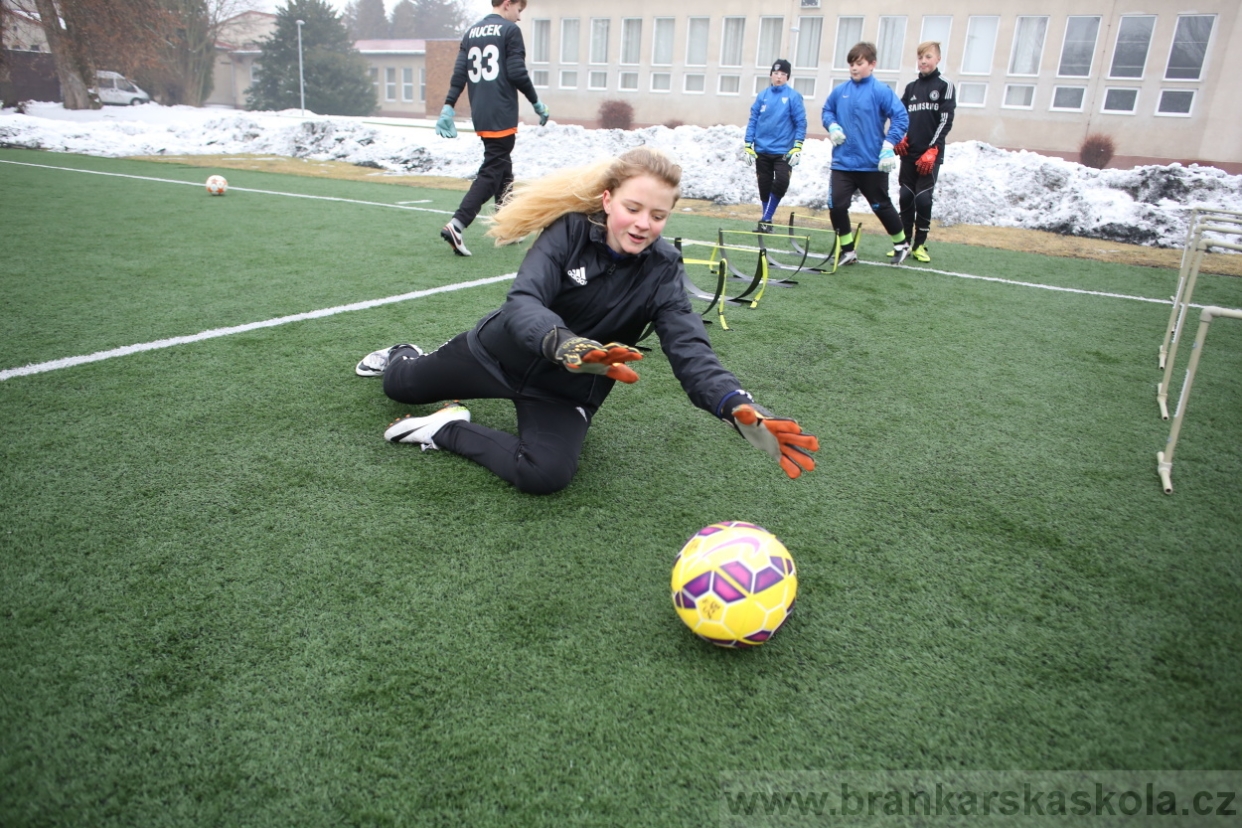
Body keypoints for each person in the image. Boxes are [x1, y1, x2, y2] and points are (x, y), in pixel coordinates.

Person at [354, 147, 819, 495]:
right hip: (493, 355)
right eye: (633, 208)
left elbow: (690, 350)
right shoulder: (571, 230)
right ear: (608, 200)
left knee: (546, 475)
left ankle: (446, 427)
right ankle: (404, 354)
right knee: (398, 386)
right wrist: (564, 343)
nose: (643, 224)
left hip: (565, 392)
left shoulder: (663, 269)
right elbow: (523, 303)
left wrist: (733, 403)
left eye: (658, 215)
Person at [436, 0, 549, 258]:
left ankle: (506, 227)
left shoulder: (471, 32)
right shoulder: (510, 31)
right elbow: (517, 72)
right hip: (501, 110)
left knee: (502, 165)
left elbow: (459, 74)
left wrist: (448, 107)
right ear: (508, 4)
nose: (519, 17)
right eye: (519, 10)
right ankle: (457, 224)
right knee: (493, 169)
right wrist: (537, 103)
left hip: (481, 111)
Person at [820, 42, 911, 267]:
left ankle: (902, 244)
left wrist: (889, 145)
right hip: (843, 162)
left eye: (859, 63)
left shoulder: (881, 91)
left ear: (872, 64)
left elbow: (900, 117)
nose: (854, 68)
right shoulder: (840, 92)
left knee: (880, 204)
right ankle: (848, 250)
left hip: (872, 163)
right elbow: (827, 111)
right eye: (851, 63)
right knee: (837, 205)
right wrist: (832, 126)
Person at [892, 41, 955, 264]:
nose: (923, 61)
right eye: (920, 57)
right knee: (906, 196)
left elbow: (946, 121)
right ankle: (904, 243)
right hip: (909, 154)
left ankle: (920, 244)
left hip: (929, 155)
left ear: (938, 59)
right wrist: (899, 136)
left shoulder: (945, 86)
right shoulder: (911, 88)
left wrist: (933, 148)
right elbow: (899, 116)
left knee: (924, 199)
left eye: (928, 57)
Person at [744, 58, 807, 233]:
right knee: (764, 185)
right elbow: (753, 120)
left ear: (788, 77)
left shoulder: (794, 97)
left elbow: (801, 122)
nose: (779, 77)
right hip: (762, 149)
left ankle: (766, 218)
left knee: (781, 181)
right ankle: (767, 221)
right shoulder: (762, 96)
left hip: (783, 151)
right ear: (771, 75)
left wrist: (798, 146)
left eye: (783, 74)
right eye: (776, 73)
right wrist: (748, 144)